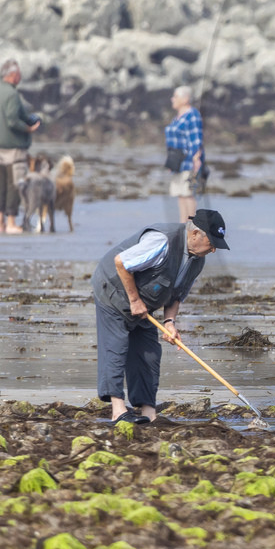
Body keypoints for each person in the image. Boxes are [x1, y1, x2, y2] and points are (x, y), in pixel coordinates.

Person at [90, 209, 230, 424]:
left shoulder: (197, 260)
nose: (212, 250)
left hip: (144, 301)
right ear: (195, 235)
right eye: (211, 243)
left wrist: (169, 322)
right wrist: (135, 301)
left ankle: (148, 412)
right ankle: (118, 410)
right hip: (113, 289)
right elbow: (121, 262)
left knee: (149, 353)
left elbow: (177, 294)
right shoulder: (161, 241)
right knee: (115, 347)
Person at [0, 58, 40, 234]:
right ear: (13, 75)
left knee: (0, 184)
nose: (20, 77)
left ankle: (0, 223)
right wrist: (29, 128)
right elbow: (11, 119)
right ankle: (11, 223)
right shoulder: (11, 94)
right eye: (18, 73)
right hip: (13, 148)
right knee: (14, 185)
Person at [165, 85, 205, 221]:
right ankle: (183, 225)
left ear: (185, 98)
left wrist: (197, 159)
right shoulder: (177, 117)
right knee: (180, 194)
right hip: (176, 161)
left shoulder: (192, 115)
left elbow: (196, 139)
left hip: (188, 161)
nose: (172, 99)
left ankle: (191, 226)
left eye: (175, 96)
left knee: (188, 193)